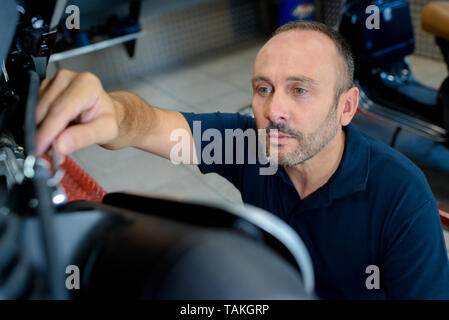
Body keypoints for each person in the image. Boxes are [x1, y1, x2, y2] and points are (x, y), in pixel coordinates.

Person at [35, 20, 449, 299]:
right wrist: (111, 111)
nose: (274, 111)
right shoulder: (248, 143)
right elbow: (148, 124)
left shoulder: (402, 198)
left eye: (300, 89)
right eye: (263, 88)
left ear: (346, 107)